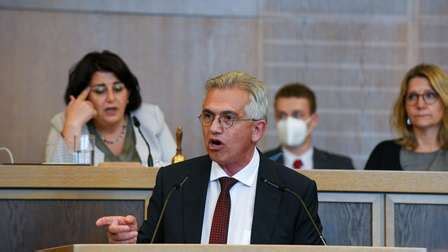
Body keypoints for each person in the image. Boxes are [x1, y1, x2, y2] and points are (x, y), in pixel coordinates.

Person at [96, 71, 323, 245]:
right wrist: (129, 242)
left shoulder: (294, 192)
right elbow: (150, 246)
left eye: (227, 118)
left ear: (257, 130)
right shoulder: (175, 182)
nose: (214, 128)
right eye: (208, 116)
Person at [45, 50, 176, 167]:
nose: (111, 98)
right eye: (100, 90)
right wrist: (73, 125)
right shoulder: (63, 123)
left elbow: (177, 172)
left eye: (118, 88)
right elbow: (52, 183)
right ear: (84, 97)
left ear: (128, 93)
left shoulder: (151, 117)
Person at [365, 63, 448, 171]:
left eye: (430, 95)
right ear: (404, 106)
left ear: (444, 102)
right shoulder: (383, 152)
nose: (420, 105)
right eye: (412, 96)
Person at [265, 83, 354, 170]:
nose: (289, 121)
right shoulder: (261, 164)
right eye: (282, 115)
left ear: (314, 120)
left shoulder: (341, 166)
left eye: (297, 115)